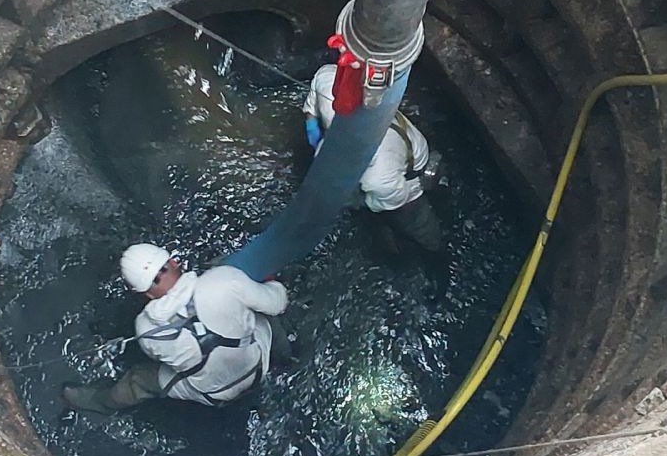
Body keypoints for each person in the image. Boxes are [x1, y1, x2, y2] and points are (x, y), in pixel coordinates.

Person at [62, 243, 290, 412]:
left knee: (140, 380)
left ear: (146, 294)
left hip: (215, 394)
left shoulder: (145, 330)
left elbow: (164, 358)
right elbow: (279, 303)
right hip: (258, 366)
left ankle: (99, 403)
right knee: (262, 310)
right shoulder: (224, 280)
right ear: (173, 261)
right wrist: (267, 283)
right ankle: (288, 357)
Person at [303, 64, 446, 267]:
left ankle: (437, 257)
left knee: (417, 223)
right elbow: (322, 77)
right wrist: (311, 119)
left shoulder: (379, 176)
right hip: (380, 168)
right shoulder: (331, 93)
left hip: (407, 177)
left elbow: (397, 199)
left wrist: (361, 203)